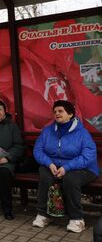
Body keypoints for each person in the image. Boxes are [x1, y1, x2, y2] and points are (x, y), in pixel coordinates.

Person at [32, 100, 98, 233]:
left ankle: (77, 219)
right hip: (53, 166)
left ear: (70, 114)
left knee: (70, 179)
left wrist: (67, 167)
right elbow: (38, 150)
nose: (57, 113)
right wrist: (49, 163)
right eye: (55, 111)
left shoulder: (82, 133)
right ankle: (43, 214)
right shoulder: (47, 131)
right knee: (44, 175)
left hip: (83, 168)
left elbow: (88, 155)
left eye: (60, 111)